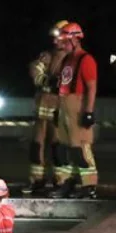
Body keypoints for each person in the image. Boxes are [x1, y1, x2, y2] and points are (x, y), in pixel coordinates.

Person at [49, 22, 99, 199]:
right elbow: (61, 86)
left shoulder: (86, 60)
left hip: (77, 105)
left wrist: (88, 111)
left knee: (81, 147)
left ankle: (89, 184)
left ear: (75, 39)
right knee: (63, 146)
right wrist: (57, 110)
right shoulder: (66, 59)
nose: (61, 43)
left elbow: (91, 87)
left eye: (65, 40)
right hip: (64, 104)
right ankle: (67, 182)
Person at [26, 20, 69, 195]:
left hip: (60, 111)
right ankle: (37, 180)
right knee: (36, 147)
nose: (54, 41)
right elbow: (35, 69)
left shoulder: (71, 58)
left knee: (58, 148)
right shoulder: (47, 55)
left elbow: (66, 82)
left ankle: (62, 182)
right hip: (42, 112)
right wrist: (47, 80)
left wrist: (53, 81)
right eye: (53, 38)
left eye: (58, 37)